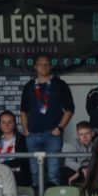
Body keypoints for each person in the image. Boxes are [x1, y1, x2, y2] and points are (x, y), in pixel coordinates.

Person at [20, 54, 74, 187]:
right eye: (40, 64)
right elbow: (23, 110)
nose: (43, 66)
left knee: (53, 172)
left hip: (53, 135)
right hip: (33, 134)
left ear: (50, 66)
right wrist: (26, 129)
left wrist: (60, 128)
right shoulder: (29, 86)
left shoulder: (60, 84)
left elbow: (70, 109)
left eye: (46, 64)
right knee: (35, 172)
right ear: (35, 67)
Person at [0, 110, 32, 189]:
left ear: (14, 124)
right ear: (0, 125)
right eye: (3, 122)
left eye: (10, 122)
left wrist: (3, 165)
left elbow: (23, 161)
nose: (7, 125)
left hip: (17, 176)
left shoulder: (22, 139)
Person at [63, 121, 98, 187]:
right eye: (81, 134)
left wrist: (88, 168)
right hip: (80, 170)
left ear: (92, 133)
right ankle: (66, 191)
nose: (84, 137)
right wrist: (81, 169)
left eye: (87, 133)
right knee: (66, 171)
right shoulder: (75, 142)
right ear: (78, 135)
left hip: (94, 169)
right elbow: (68, 161)